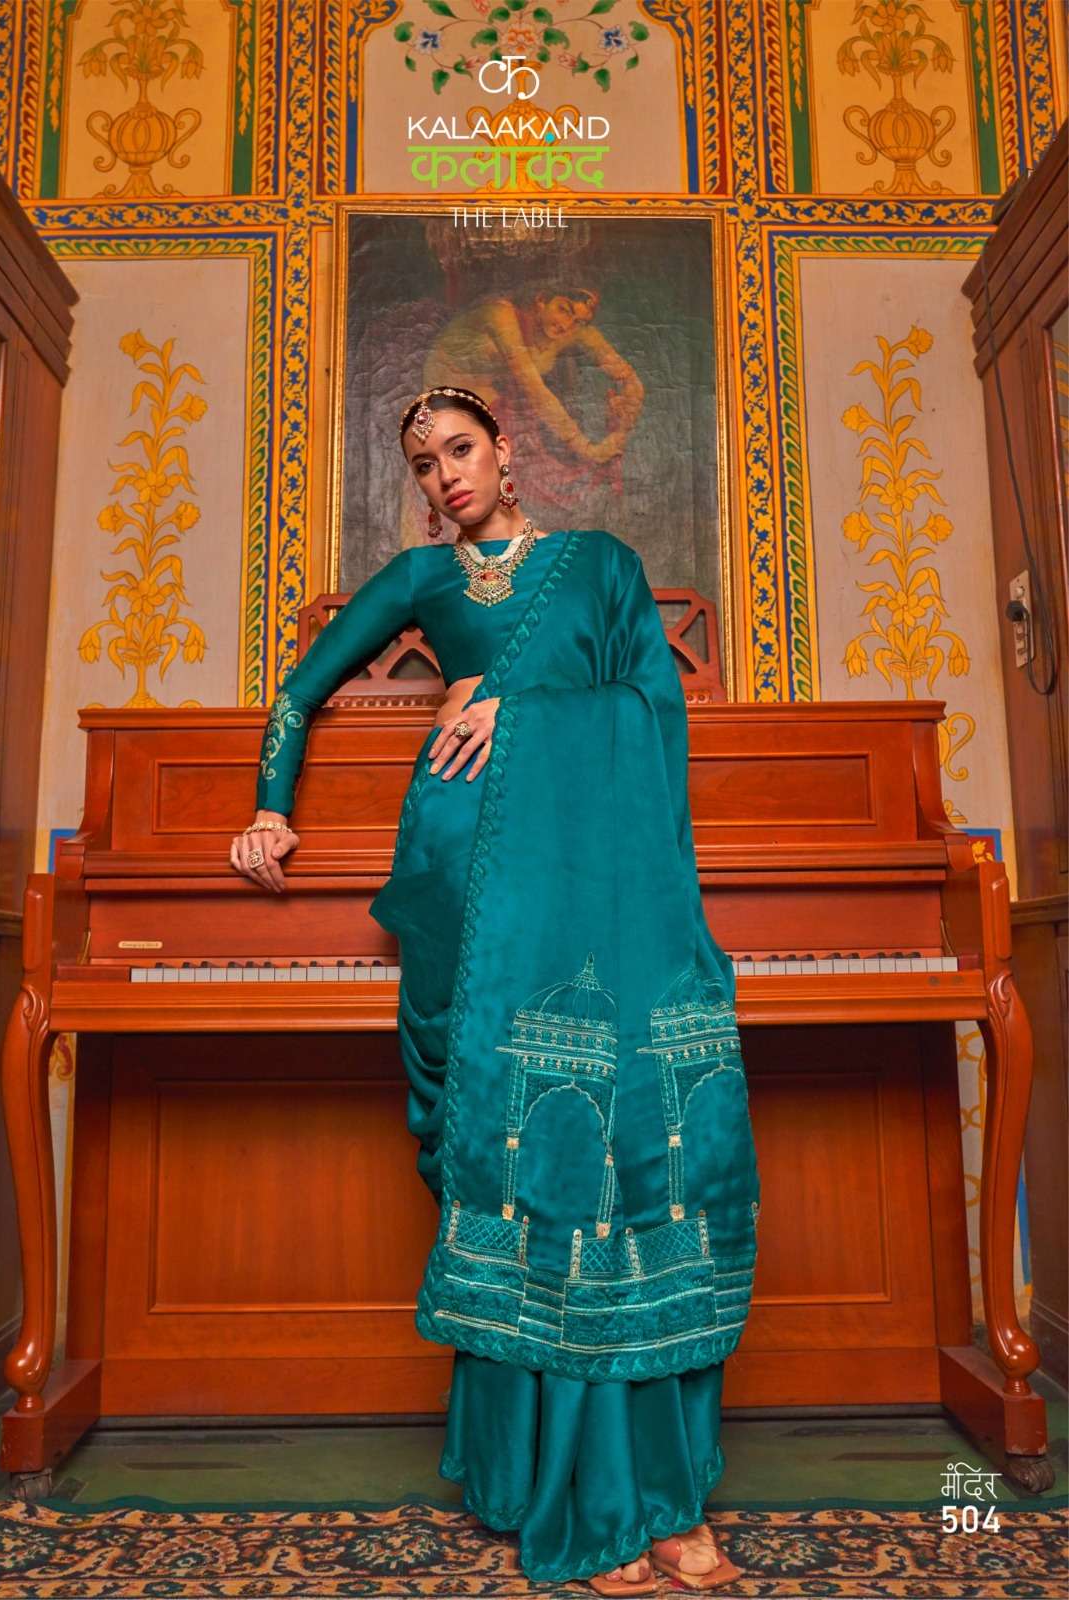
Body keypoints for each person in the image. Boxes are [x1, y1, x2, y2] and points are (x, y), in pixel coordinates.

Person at [229, 384, 760, 1594]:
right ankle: (561, 1485)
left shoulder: (600, 564)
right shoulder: (421, 581)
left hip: (606, 886)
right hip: (476, 881)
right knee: (536, 1157)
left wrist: (518, 706)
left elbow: (651, 708)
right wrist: (268, 809)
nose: (444, 476)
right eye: (423, 464)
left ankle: (658, 1489)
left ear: (506, 449)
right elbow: (298, 691)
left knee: (642, 1147)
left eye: (460, 449)